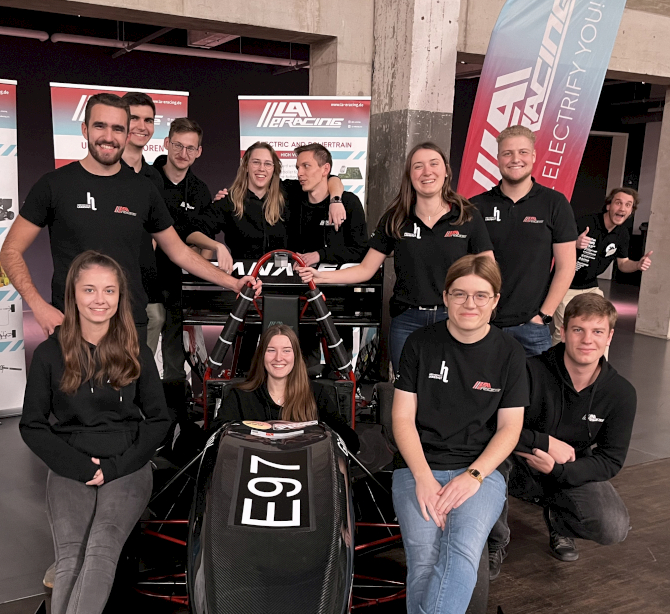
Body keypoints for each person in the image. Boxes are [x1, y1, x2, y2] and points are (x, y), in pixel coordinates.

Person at [19, 251, 171, 614]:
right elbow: (32, 425)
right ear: (74, 295)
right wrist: (80, 467)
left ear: (120, 297)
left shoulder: (135, 349)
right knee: (70, 555)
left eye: (109, 290)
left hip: (127, 466)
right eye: (89, 290)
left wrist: (116, 466)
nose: (99, 300)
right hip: (71, 465)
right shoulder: (50, 353)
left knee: (102, 546)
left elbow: (159, 420)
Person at [388, 254, 526, 614]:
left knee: (463, 550)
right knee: (425, 555)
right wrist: (425, 478)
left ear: (495, 301)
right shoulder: (420, 344)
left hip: (480, 473)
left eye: (481, 295)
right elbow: (402, 419)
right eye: (461, 293)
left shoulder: (509, 352)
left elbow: (510, 429)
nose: (471, 303)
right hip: (417, 468)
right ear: (445, 297)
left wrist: (472, 476)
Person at [0, 92, 259, 344]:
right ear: (85, 130)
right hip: (73, 326)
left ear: (126, 135)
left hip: (129, 325)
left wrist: (233, 283)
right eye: (100, 126)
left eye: (118, 129)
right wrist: (38, 306)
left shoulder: (144, 189)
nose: (109, 137)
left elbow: (179, 251)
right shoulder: (53, 185)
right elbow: (10, 251)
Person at [298, 142, 493, 373]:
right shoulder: (396, 218)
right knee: (405, 387)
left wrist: (481, 312)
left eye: (434, 164)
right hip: (407, 320)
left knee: (449, 386)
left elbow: (488, 271)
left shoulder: (467, 216)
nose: (427, 172)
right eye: (418, 166)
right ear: (410, 175)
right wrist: (321, 277)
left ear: (446, 171)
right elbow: (365, 269)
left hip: (453, 318)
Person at [508, 293, 635, 562]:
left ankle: (559, 521)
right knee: (484, 469)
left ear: (609, 337)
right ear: (563, 332)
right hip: (516, 460)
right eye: (578, 330)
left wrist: (558, 471)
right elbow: (493, 427)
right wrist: (545, 443)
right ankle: (495, 541)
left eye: (597, 331)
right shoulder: (529, 372)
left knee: (613, 527)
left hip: (568, 469)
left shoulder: (621, 393)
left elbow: (610, 460)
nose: (587, 340)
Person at [471, 125, 577, 357]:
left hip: (532, 329)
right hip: (483, 324)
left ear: (534, 156)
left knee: (534, 382)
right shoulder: (476, 206)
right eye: (507, 153)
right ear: (498, 158)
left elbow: (566, 266)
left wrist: (544, 316)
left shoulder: (555, 203)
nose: (515, 159)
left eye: (523, 152)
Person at [186, 142, 346, 268]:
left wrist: (335, 200)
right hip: (244, 285)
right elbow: (191, 232)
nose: (261, 169)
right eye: (256, 162)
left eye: (268, 164)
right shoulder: (230, 201)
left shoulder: (289, 192)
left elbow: (330, 179)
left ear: (274, 168)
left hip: (287, 286)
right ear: (246, 166)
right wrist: (217, 246)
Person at [214, 323, 360, 454]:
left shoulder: (317, 394)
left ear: (296, 356)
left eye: (286, 351)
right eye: (271, 350)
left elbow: (351, 443)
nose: (278, 358)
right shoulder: (240, 395)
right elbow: (212, 438)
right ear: (261, 356)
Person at [151, 118, 213, 382]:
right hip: (145, 280)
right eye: (177, 145)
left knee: (175, 359)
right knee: (140, 351)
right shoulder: (146, 178)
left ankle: (175, 401)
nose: (183, 153)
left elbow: (204, 246)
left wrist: (194, 278)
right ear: (167, 143)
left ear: (199, 152)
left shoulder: (200, 191)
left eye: (190, 148)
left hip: (179, 282)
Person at [553, 186, 653, 344]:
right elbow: (554, 245)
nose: (622, 208)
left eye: (628, 205)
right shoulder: (586, 223)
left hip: (591, 287)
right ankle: (555, 359)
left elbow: (623, 263)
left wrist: (637, 265)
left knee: (601, 331)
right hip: (565, 286)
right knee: (565, 333)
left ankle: (599, 361)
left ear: (631, 211)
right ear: (608, 205)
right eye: (618, 203)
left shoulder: (622, 234)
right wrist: (574, 243)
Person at [120, 92, 166, 355]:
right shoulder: (106, 171)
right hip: (114, 276)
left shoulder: (154, 177)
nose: (142, 126)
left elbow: (156, 230)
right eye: (134, 118)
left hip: (146, 276)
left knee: (155, 319)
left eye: (148, 120)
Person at [289, 143, 369, 267]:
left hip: (337, 278)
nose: (299, 173)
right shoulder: (293, 196)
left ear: (325, 169)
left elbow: (361, 251)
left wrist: (319, 255)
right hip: (298, 277)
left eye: (306, 166)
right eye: (298, 167)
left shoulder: (349, 202)